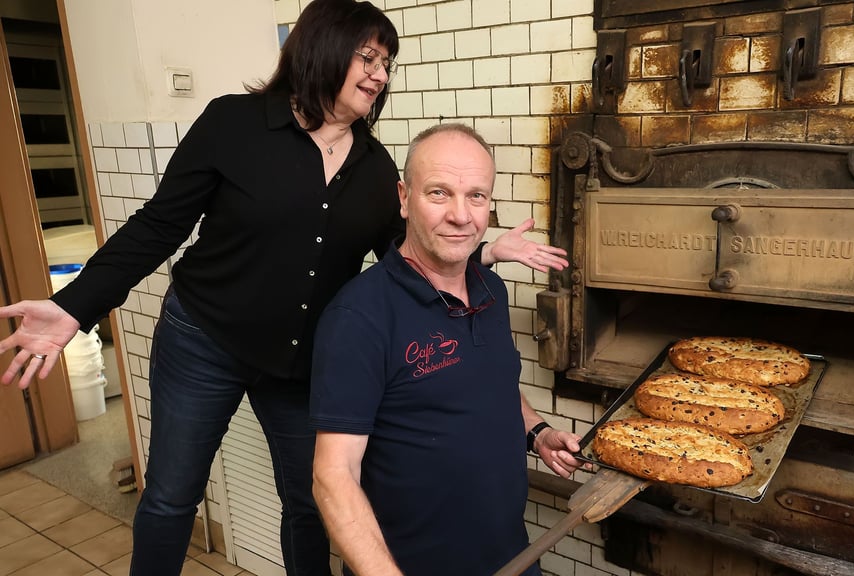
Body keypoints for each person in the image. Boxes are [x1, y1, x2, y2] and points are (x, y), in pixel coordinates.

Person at [0, 2, 567, 575]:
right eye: (368, 58)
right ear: (322, 48)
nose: (380, 75)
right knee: (172, 495)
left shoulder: (373, 166)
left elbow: (406, 249)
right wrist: (74, 307)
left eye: (386, 64)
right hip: (204, 340)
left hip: (298, 361)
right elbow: (158, 226)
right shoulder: (233, 123)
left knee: (310, 501)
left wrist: (484, 250)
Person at [309, 123, 586, 576]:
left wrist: (537, 433)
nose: (461, 215)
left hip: (513, 557)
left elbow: (491, 382)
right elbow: (332, 477)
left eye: (476, 196)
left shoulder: (490, 288)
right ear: (404, 198)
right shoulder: (359, 316)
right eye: (439, 193)